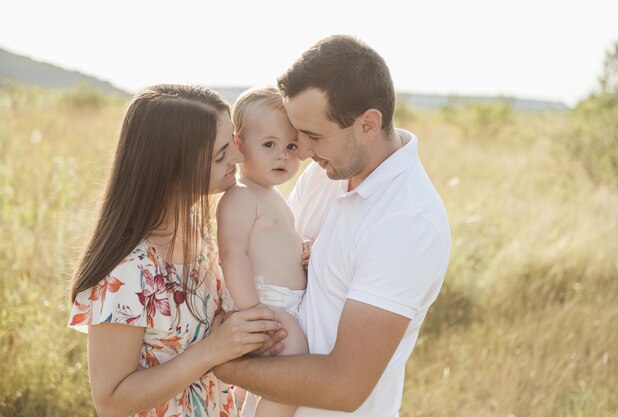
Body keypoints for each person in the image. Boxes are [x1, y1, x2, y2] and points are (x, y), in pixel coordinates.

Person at [213, 35, 451, 417]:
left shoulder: (409, 224)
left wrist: (218, 361)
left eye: (314, 136)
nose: (302, 151)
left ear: (368, 124)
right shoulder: (326, 172)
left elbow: (345, 386)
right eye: (297, 133)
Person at [68, 84, 284, 417]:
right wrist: (213, 349)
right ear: (172, 170)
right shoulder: (128, 270)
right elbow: (110, 401)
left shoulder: (204, 234)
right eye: (221, 155)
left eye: (235, 143)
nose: (240, 159)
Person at [217, 86, 309, 417]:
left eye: (291, 145)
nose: (282, 155)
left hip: (281, 302)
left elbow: (275, 245)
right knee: (293, 366)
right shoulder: (241, 196)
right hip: (264, 302)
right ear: (239, 146)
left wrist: (303, 252)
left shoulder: (271, 194)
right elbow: (233, 254)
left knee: (267, 379)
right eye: (269, 145)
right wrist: (251, 310)